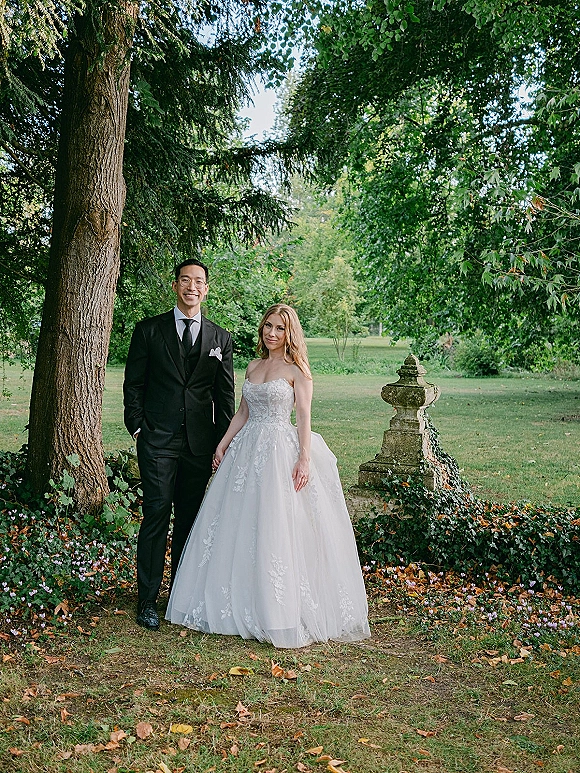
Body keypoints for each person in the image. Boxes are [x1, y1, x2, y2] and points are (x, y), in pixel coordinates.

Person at [166, 303, 370, 648]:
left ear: (290, 333)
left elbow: (304, 416)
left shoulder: (297, 370)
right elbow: (243, 410)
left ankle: (278, 610)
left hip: (279, 449)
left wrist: (304, 458)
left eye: (279, 328)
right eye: (268, 327)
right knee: (237, 524)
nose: (271, 333)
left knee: (278, 524)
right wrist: (223, 444)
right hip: (247, 451)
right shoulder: (254, 365)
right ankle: (237, 601)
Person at [123, 258, 235, 631]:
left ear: (206, 288)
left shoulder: (221, 339)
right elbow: (134, 384)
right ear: (175, 286)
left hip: (199, 444)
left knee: (190, 518)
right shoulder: (149, 331)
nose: (192, 286)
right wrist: (138, 428)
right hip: (157, 439)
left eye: (198, 281)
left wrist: (221, 443)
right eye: (185, 280)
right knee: (156, 512)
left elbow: (225, 396)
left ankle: (181, 596)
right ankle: (147, 600)